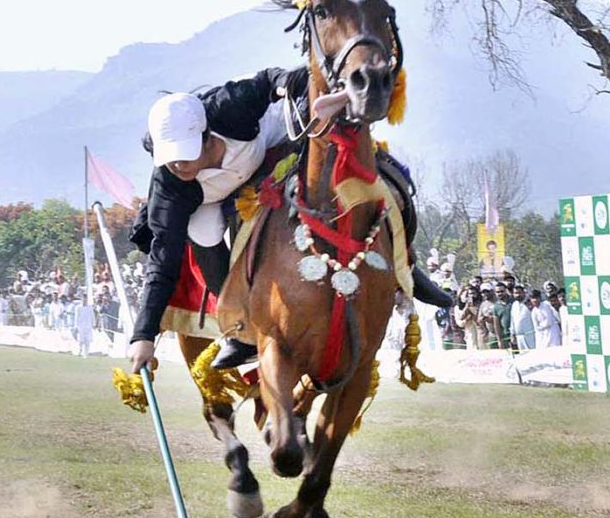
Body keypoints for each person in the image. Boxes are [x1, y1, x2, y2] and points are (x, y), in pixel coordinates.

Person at [127, 69, 452, 374]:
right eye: (169, 157)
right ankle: (240, 327)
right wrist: (143, 334)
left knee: (348, 151)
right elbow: (162, 261)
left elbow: (272, 79)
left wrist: (287, 84)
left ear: (206, 133)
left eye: (184, 153)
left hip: (267, 138)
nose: (178, 164)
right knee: (203, 231)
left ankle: (406, 268)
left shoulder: (230, 106)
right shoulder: (169, 186)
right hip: (208, 199)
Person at [510, 285, 535, 351]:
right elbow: (512, 321)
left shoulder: (530, 304)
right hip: (519, 337)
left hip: (530, 335)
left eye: (519, 293)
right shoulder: (514, 305)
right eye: (515, 293)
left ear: (524, 293)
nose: (518, 295)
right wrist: (512, 334)